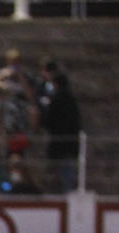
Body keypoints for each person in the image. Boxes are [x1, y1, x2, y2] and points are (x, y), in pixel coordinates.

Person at [37, 61, 81, 192]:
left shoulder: (57, 100)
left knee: (63, 172)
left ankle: (64, 193)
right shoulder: (70, 99)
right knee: (65, 170)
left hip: (59, 143)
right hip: (69, 142)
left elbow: (49, 120)